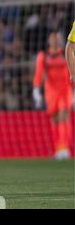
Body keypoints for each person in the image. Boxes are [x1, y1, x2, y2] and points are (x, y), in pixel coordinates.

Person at [34, 31, 73, 160]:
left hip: (65, 90)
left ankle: (64, 149)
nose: (54, 40)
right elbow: (38, 75)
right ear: (48, 41)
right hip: (51, 92)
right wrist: (36, 91)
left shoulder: (66, 54)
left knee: (64, 116)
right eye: (52, 38)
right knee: (55, 119)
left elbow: (71, 71)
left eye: (56, 38)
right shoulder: (43, 56)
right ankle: (58, 148)